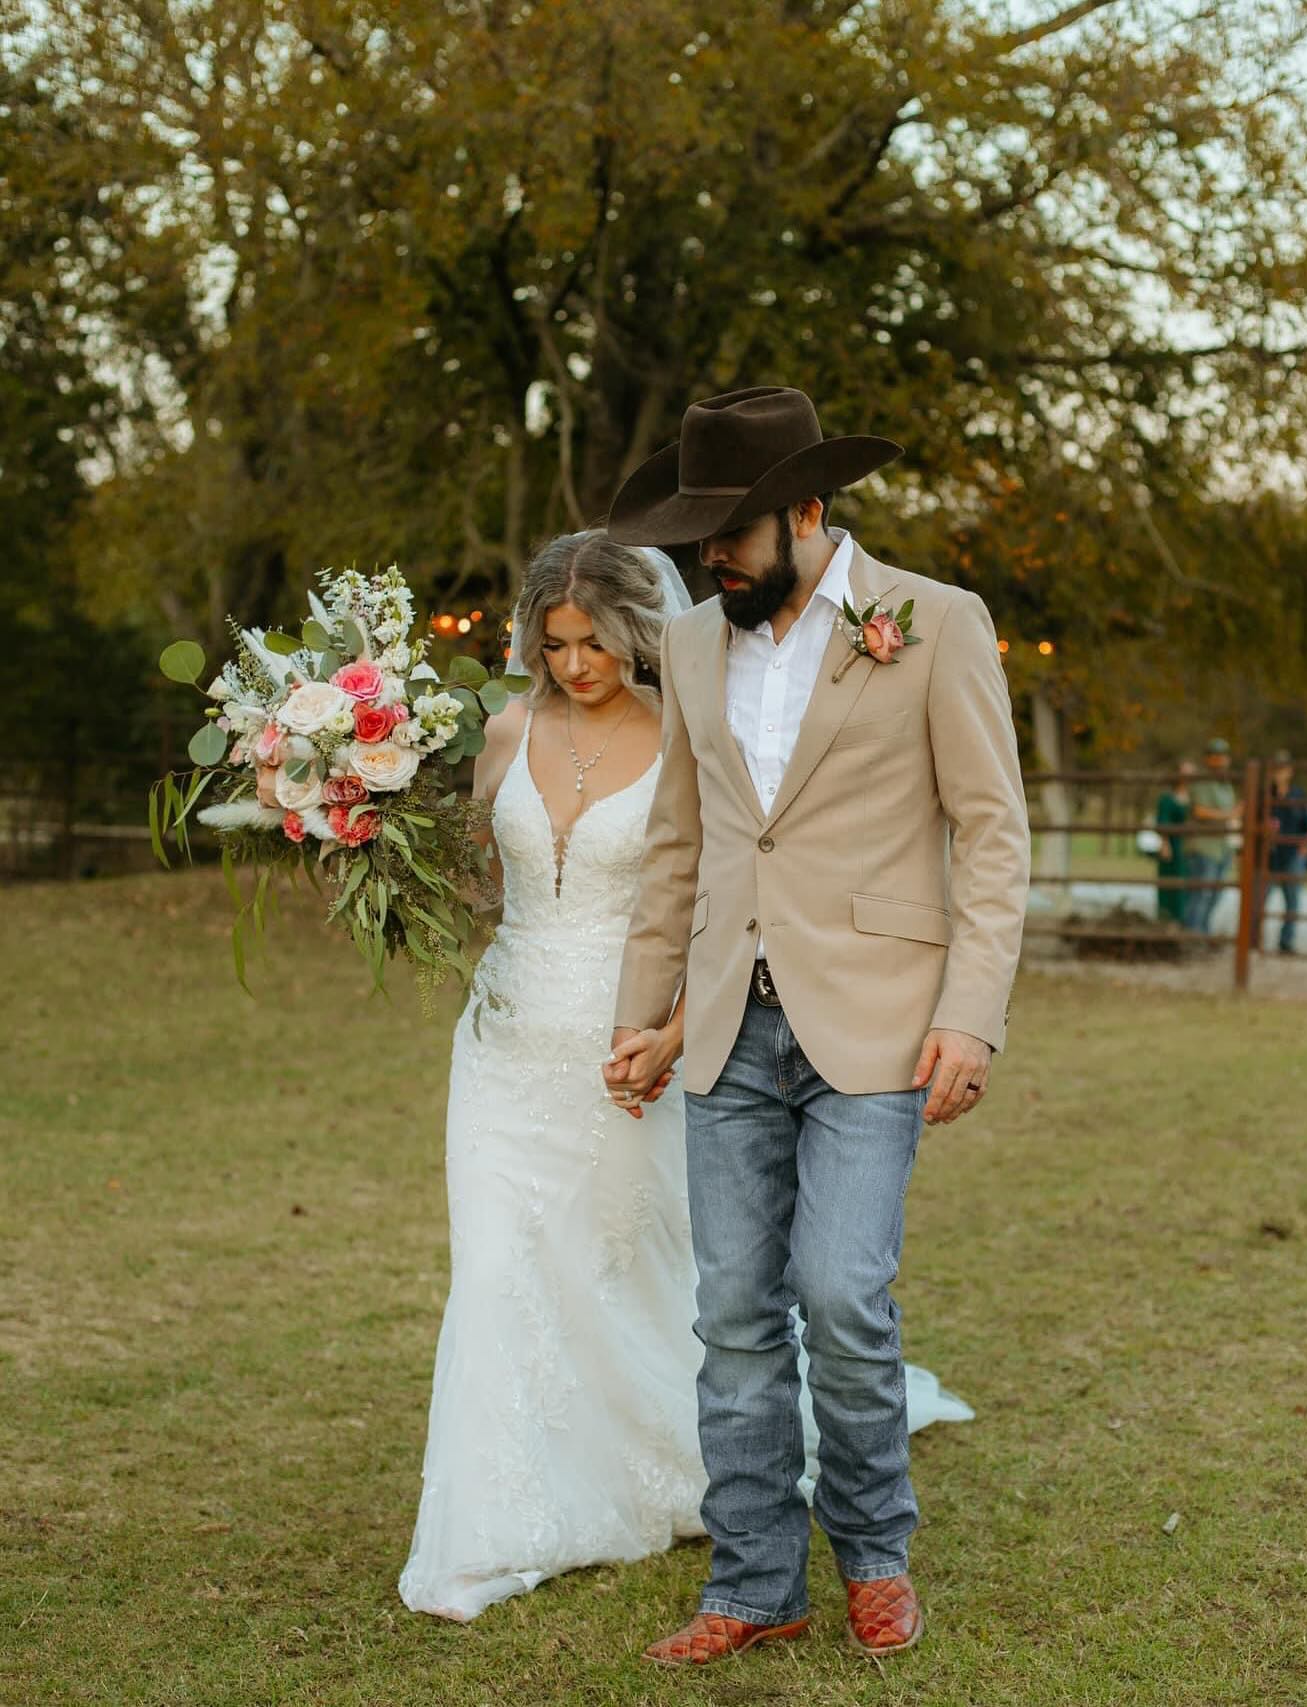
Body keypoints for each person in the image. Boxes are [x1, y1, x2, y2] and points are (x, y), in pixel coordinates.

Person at [398, 528, 969, 1624]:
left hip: (652, 1040)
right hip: (509, 1036)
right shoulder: (507, 731)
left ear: (636, 635)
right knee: (498, 1265)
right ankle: (499, 1513)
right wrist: (365, 830)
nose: (575, 665)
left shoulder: (690, 727)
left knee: (665, 1270)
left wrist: (660, 1024)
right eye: (556, 644)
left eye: (596, 643)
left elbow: (709, 892)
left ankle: (734, 1491)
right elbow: (476, 875)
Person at [604, 387, 1030, 1666]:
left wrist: (973, 1015)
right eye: (694, 543)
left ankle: (876, 1553)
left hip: (883, 1024)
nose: (707, 563)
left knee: (841, 1298)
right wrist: (643, 1020)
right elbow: (679, 843)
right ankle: (752, 1582)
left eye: (726, 536)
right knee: (732, 1313)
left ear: (805, 511)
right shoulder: (690, 645)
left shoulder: (936, 624)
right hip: (727, 1023)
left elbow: (993, 835)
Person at [1184, 737, 1240, 934]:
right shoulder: (1201, 782)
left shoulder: (1225, 785)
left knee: (1215, 895)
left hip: (1221, 847)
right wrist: (1230, 814)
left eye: (1222, 757)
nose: (1219, 761)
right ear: (1207, 759)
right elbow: (1199, 811)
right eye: (1215, 757)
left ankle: (1203, 933)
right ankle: (1191, 935)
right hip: (1203, 846)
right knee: (1201, 894)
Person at [1261, 749, 1307, 955]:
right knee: (1260, 899)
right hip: (1270, 854)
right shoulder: (1265, 795)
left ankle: (1286, 942)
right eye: (1276, 769)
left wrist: (1305, 846)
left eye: (1283, 769)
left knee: (1292, 902)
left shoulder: (1299, 795)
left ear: (1289, 771)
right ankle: (1255, 939)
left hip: (1292, 855)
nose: (1279, 773)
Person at [1154, 760, 1197, 925]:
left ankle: (1184, 920)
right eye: (1185, 773)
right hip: (1173, 845)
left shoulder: (1193, 798)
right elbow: (1162, 821)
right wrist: (1165, 843)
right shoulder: (1167, 798)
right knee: (1170, 884)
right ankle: (1167, 919)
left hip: (1190, 847)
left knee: (1187, 885)